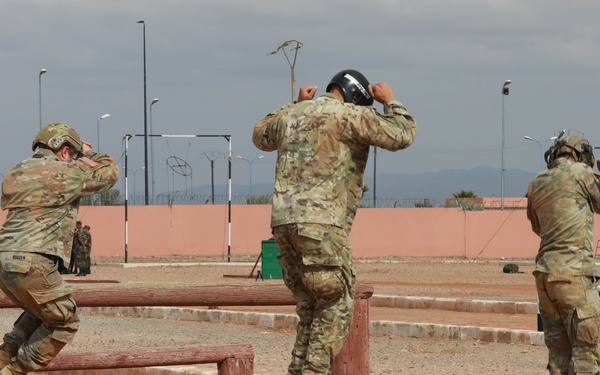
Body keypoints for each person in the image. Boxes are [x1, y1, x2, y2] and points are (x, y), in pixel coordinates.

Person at [253, 69, 416, 374]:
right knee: (336, 302)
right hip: (321, 226)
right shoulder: (346, 115)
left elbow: (260, 134)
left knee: (310, 309)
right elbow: (402, 134)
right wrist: (390, 101)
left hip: (284, 226)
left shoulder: (292, 115)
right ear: (355, 96)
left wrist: (294, 104)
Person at [0, 123, 119, 374]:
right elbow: (110, 171)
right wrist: (85, 154)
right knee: (65, 320)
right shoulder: (67, 172)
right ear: (64, 151)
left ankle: (4, 358)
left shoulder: (16, 171)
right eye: (71, 154)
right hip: (32, 261)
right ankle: (13, 371)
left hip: (4, 260)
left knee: (39, 312)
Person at [527, 131, 600, 374]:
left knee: (558, 354)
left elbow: (537, 227)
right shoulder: (581, 174)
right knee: (587, 351)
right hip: (574, 275)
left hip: (545, 279)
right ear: (580, 155)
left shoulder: (537, 181)